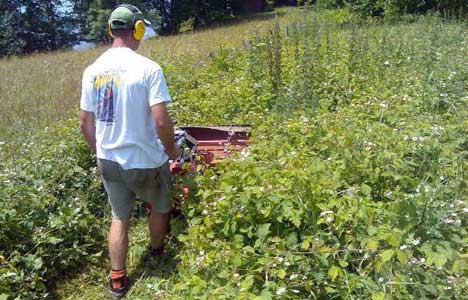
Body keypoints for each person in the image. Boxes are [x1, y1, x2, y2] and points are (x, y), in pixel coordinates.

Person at [79, 4, 180, 298]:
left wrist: (100, 151)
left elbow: (85, 123)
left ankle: (118, 278)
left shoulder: (92, 70)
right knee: (161, 206)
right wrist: (172, 152)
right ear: (137, 29)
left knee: (119, 216)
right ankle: (157, 251)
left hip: (108, 159)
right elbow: (161, 121)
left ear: (111, 30)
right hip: (145, 160)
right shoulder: (148, 68)